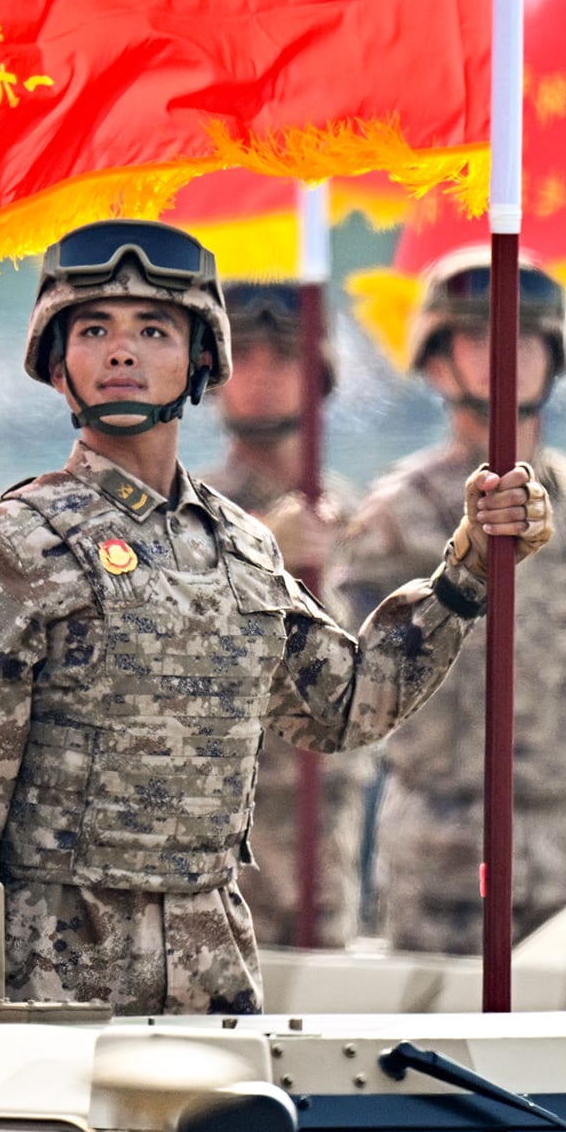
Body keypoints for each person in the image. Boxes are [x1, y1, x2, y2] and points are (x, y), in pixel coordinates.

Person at [0, 220, 550, 1014]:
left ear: (199, 359)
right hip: (58, 971)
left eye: (154, 330)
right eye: (95, 329)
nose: (122, 351)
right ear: (57, 360)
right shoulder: (15, 544)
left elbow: (346, 706)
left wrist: (467, 572)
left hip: (212, 966)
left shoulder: (241, 545)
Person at [331, 249, 566, 950]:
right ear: (438, 364)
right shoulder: (400, 513)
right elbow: (343, 687)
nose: (508, 356)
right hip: (443, 853)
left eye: (527, 339)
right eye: (480, 340)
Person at [195, 281, 370, 949]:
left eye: (285, 357)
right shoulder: (185, 513)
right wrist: (265, 547)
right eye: (248, 358)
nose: (263, 378)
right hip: (222, 831)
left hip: (326, 823)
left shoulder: (357, 519)